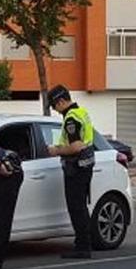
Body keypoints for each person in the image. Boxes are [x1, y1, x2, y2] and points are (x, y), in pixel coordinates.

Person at [46, 84, 96, 259]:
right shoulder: (81, 112)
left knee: (76, 208)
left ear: (61, 101)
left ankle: (82, 247)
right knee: (81, 206)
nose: (54, 110)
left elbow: (75, 147)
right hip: (86, 165)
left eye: (54, 106)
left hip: (76, 168)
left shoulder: (71, 119)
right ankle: (85, 244)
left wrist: (56, 150)